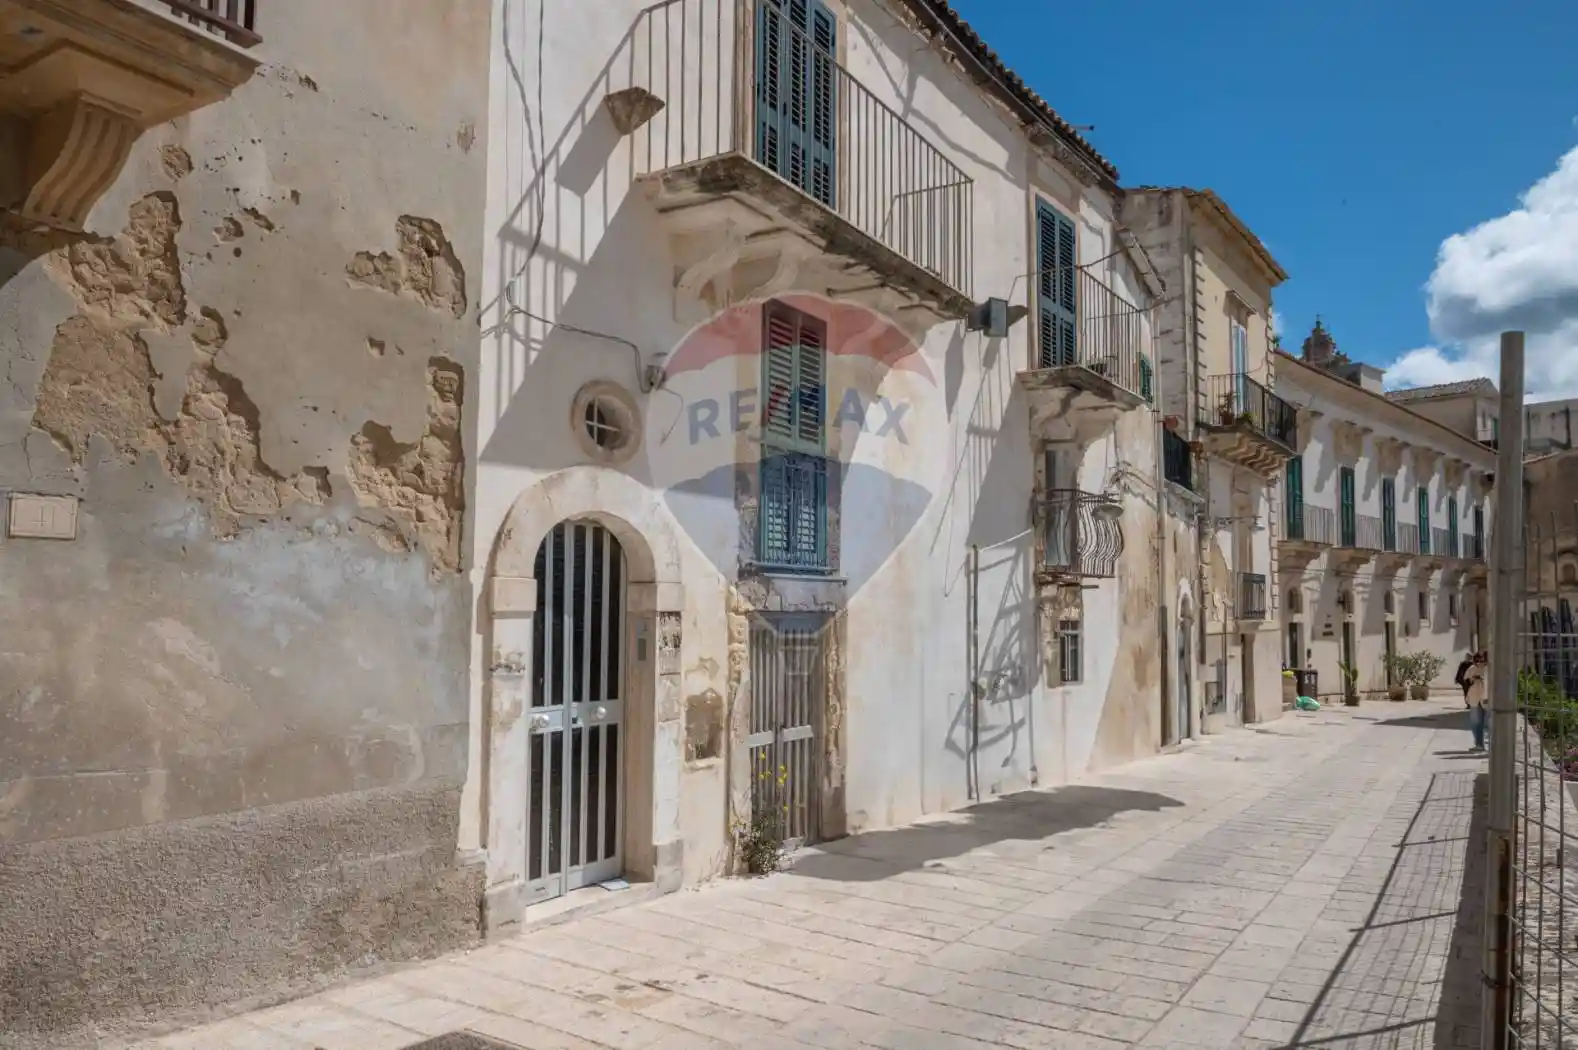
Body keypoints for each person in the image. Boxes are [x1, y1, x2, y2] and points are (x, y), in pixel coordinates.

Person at [1465, 651, 1489, 752]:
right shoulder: (1472, 669)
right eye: (1477, 660)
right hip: (1475, 698)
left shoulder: (1488, 669)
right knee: (1475, 723)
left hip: (1487, 698)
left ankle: (1490, 745)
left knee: (1489, 723)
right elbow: (1466, 681)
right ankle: (1479, 744)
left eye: (1481, 659)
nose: (1479, 662)